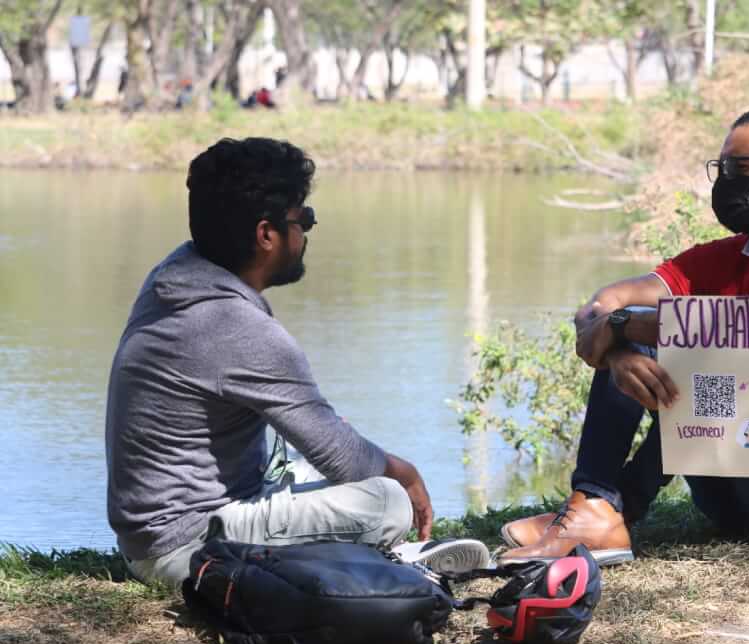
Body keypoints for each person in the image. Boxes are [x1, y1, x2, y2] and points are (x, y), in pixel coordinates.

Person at [500, 110, 749, 565]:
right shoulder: (725, 259)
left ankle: (610, 506)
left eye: (739, 169)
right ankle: (598, 505)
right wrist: (620, 348)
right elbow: (606, 300)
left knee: (720, 338)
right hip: (731, 498)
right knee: (676, 332)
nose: (724, 181)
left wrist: (620, 326)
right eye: (720, 168)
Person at [106, 138, 486, 586]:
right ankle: (390, 557)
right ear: (266, 235)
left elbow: (324, 442)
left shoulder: (177, 274)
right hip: (185, 546)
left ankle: (360, 554)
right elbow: (345, 459)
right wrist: (406, 473)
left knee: (306, 463)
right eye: (303, 219)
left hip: (157, 530)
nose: (307, 231)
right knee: (386, 501)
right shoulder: (233, 324)